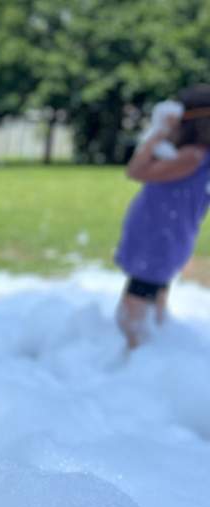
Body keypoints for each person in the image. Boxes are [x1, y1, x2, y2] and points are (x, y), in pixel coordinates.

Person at [114, 84, 210, 349]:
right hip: (168, 233)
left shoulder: (193, 156)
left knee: (134, 309)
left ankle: (133, 359)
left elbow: (136, 170)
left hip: (158, 235)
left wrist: (159, 133)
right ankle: (155, 350)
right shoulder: (197, 155)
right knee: (154, 296)